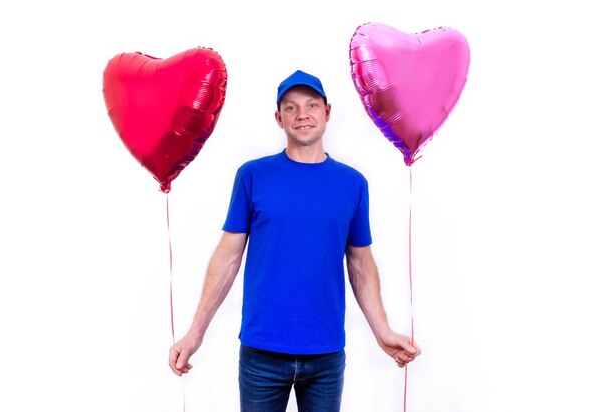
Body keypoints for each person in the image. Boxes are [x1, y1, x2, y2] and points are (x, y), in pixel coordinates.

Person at [169, 69, 421, 411]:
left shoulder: (352, 183)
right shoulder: (252, 176)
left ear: (327, 113)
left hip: (326, 356)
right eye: (291, 107)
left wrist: (382, 331)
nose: (303, 114)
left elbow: (361, 263)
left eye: (312, 105)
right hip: (262, 354)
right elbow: (228, 256)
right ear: (279, 118)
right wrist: (195, 332)